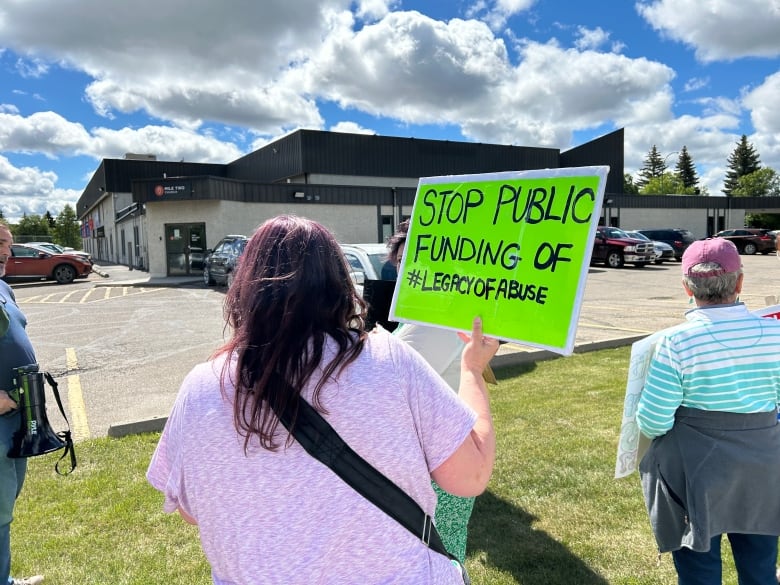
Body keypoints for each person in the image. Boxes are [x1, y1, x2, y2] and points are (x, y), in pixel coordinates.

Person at [147, 215, 499, 584]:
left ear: (246, 287)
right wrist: (472, 371)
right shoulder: (390, 360)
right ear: (340, 282)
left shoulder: (201, 386)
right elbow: (470, 476)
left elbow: (190, 508)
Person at [635, 237, 780, 585]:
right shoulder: (776, 334)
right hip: (762, 470)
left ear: (687, 286)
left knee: (699, 573)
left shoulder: (677, 342)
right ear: (740, 282)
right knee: (760, 569)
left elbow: (653, 420)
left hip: (696, 475)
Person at [382, 219, 476, 563]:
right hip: (437, 457)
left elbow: (384, 375)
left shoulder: (439, 316)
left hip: (435, 464)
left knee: (436, 558)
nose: (409, 272)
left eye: (418, 261)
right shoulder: (428, 312)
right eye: (404, 263)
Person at [0, 221, 45, 585]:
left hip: (18, 420)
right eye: (1, 242)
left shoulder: (4, 288)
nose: (7, 252)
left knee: (6, 506)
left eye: (9, 245)